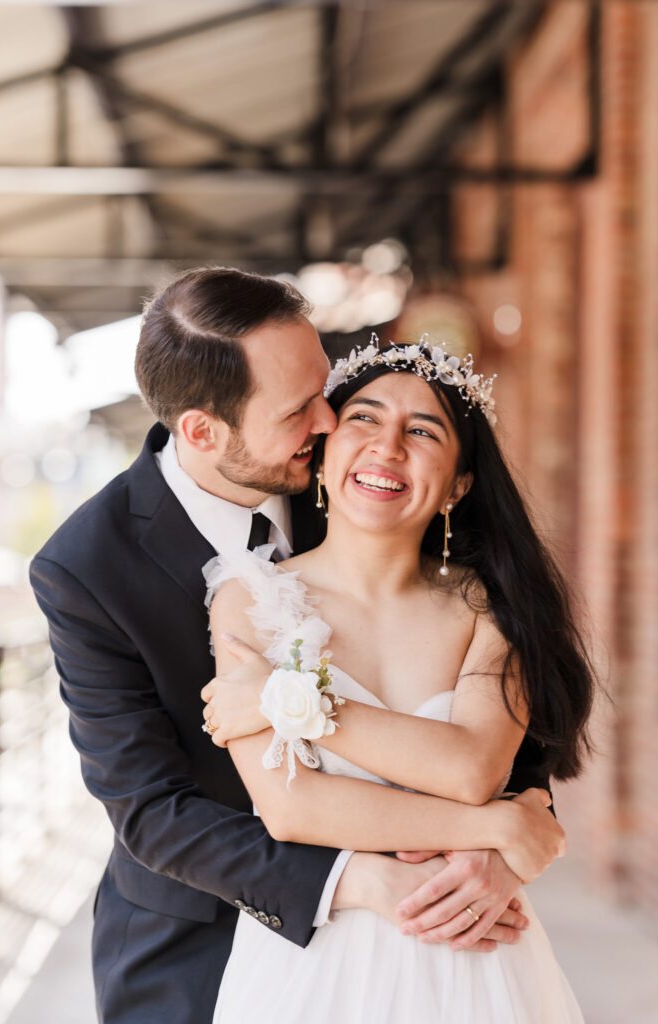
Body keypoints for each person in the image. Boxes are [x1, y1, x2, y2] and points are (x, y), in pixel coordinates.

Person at [30, 268, 562, 1024]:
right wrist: (367, 882)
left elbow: (503, 686)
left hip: (446, 912)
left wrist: (511, 825)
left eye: (323, 388)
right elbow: (153, 811)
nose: (329, 418)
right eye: (298, 409)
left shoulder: (359, 482)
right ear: (204, 431)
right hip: (194, 937)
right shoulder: (86, 568)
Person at [201, 340, 594, 1022]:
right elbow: (292, 808)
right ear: (322, 452)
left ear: (458, 485)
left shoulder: (491, 608)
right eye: (363, 419)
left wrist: (286, 699)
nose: (387, 447)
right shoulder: (252, 598)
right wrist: (501, 826)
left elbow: (473, 765)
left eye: (422, 431)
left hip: (472, 948)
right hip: (314, 960)